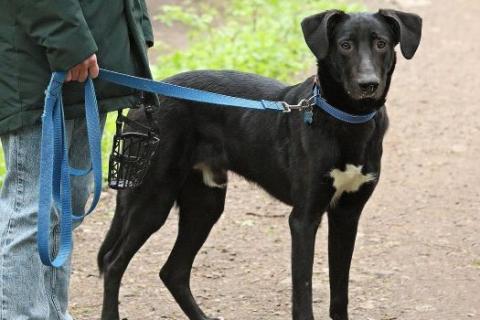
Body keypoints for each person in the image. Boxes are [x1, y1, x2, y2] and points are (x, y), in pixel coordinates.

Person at [0, 0, 157, 319]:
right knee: (34, 207)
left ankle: (53, 312)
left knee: (68, 201)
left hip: (89, 60)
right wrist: (67, 40)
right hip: (40, 61)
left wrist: (134, 30)